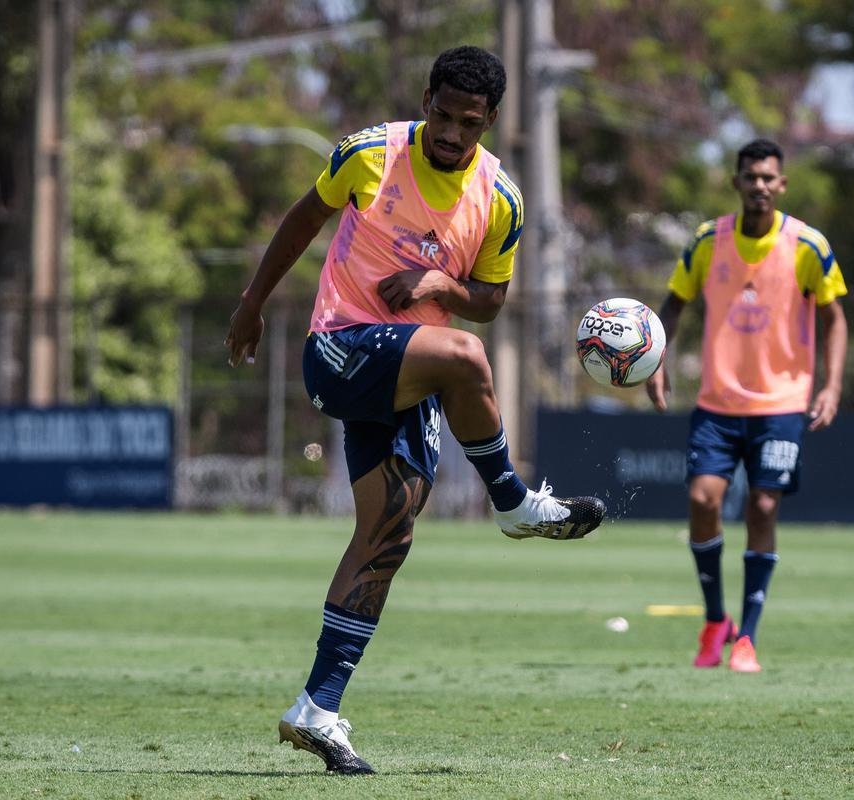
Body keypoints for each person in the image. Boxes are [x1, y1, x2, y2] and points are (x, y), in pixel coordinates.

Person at [224, 46, 605, 775]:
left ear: (491, 120)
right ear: (426, 99)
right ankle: (512, 501)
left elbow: (489, 300)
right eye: (443, 115)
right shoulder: (370, 154)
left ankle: (317, 708)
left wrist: (439, 284)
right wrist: (252, 302)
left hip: (407, 378)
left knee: (388, 535)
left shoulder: (501, 198)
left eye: (469, 123)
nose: (453, 134)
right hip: (339, 347)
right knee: (466, 357)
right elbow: (303, 221)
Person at [645, 139, 847, 673]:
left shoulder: (807, 245)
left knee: (763, 507)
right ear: (736, 182)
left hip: (782, 402)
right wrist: (656, 358)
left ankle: (748, 638)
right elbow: (674, 303)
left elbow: (834, 319)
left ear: (782, 185)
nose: (760, 185)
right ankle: (716, 620)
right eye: (751, 176)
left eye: (768, 177)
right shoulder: (708, 241)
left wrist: (831, 386)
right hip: (718, 401)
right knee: (703, 499)